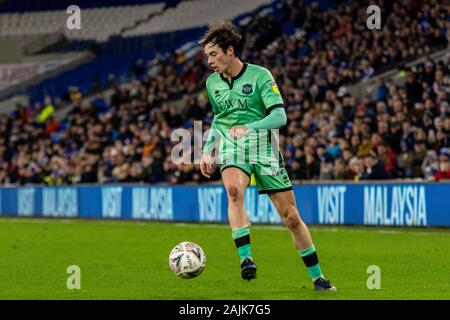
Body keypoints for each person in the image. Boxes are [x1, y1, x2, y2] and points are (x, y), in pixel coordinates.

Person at [198, 20, 336, 291]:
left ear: (230, 51)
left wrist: (249, 127)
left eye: (213, 54)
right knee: (234, 191)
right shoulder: (212, 82)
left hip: (264, 149)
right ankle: (246, 259)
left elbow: (279, 116)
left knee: (292, 218)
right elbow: (219, 118)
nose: (210, 61)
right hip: (232, 148)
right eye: (207, 56)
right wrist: (206, 149)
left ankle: (318, 278)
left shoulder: (261, 75)